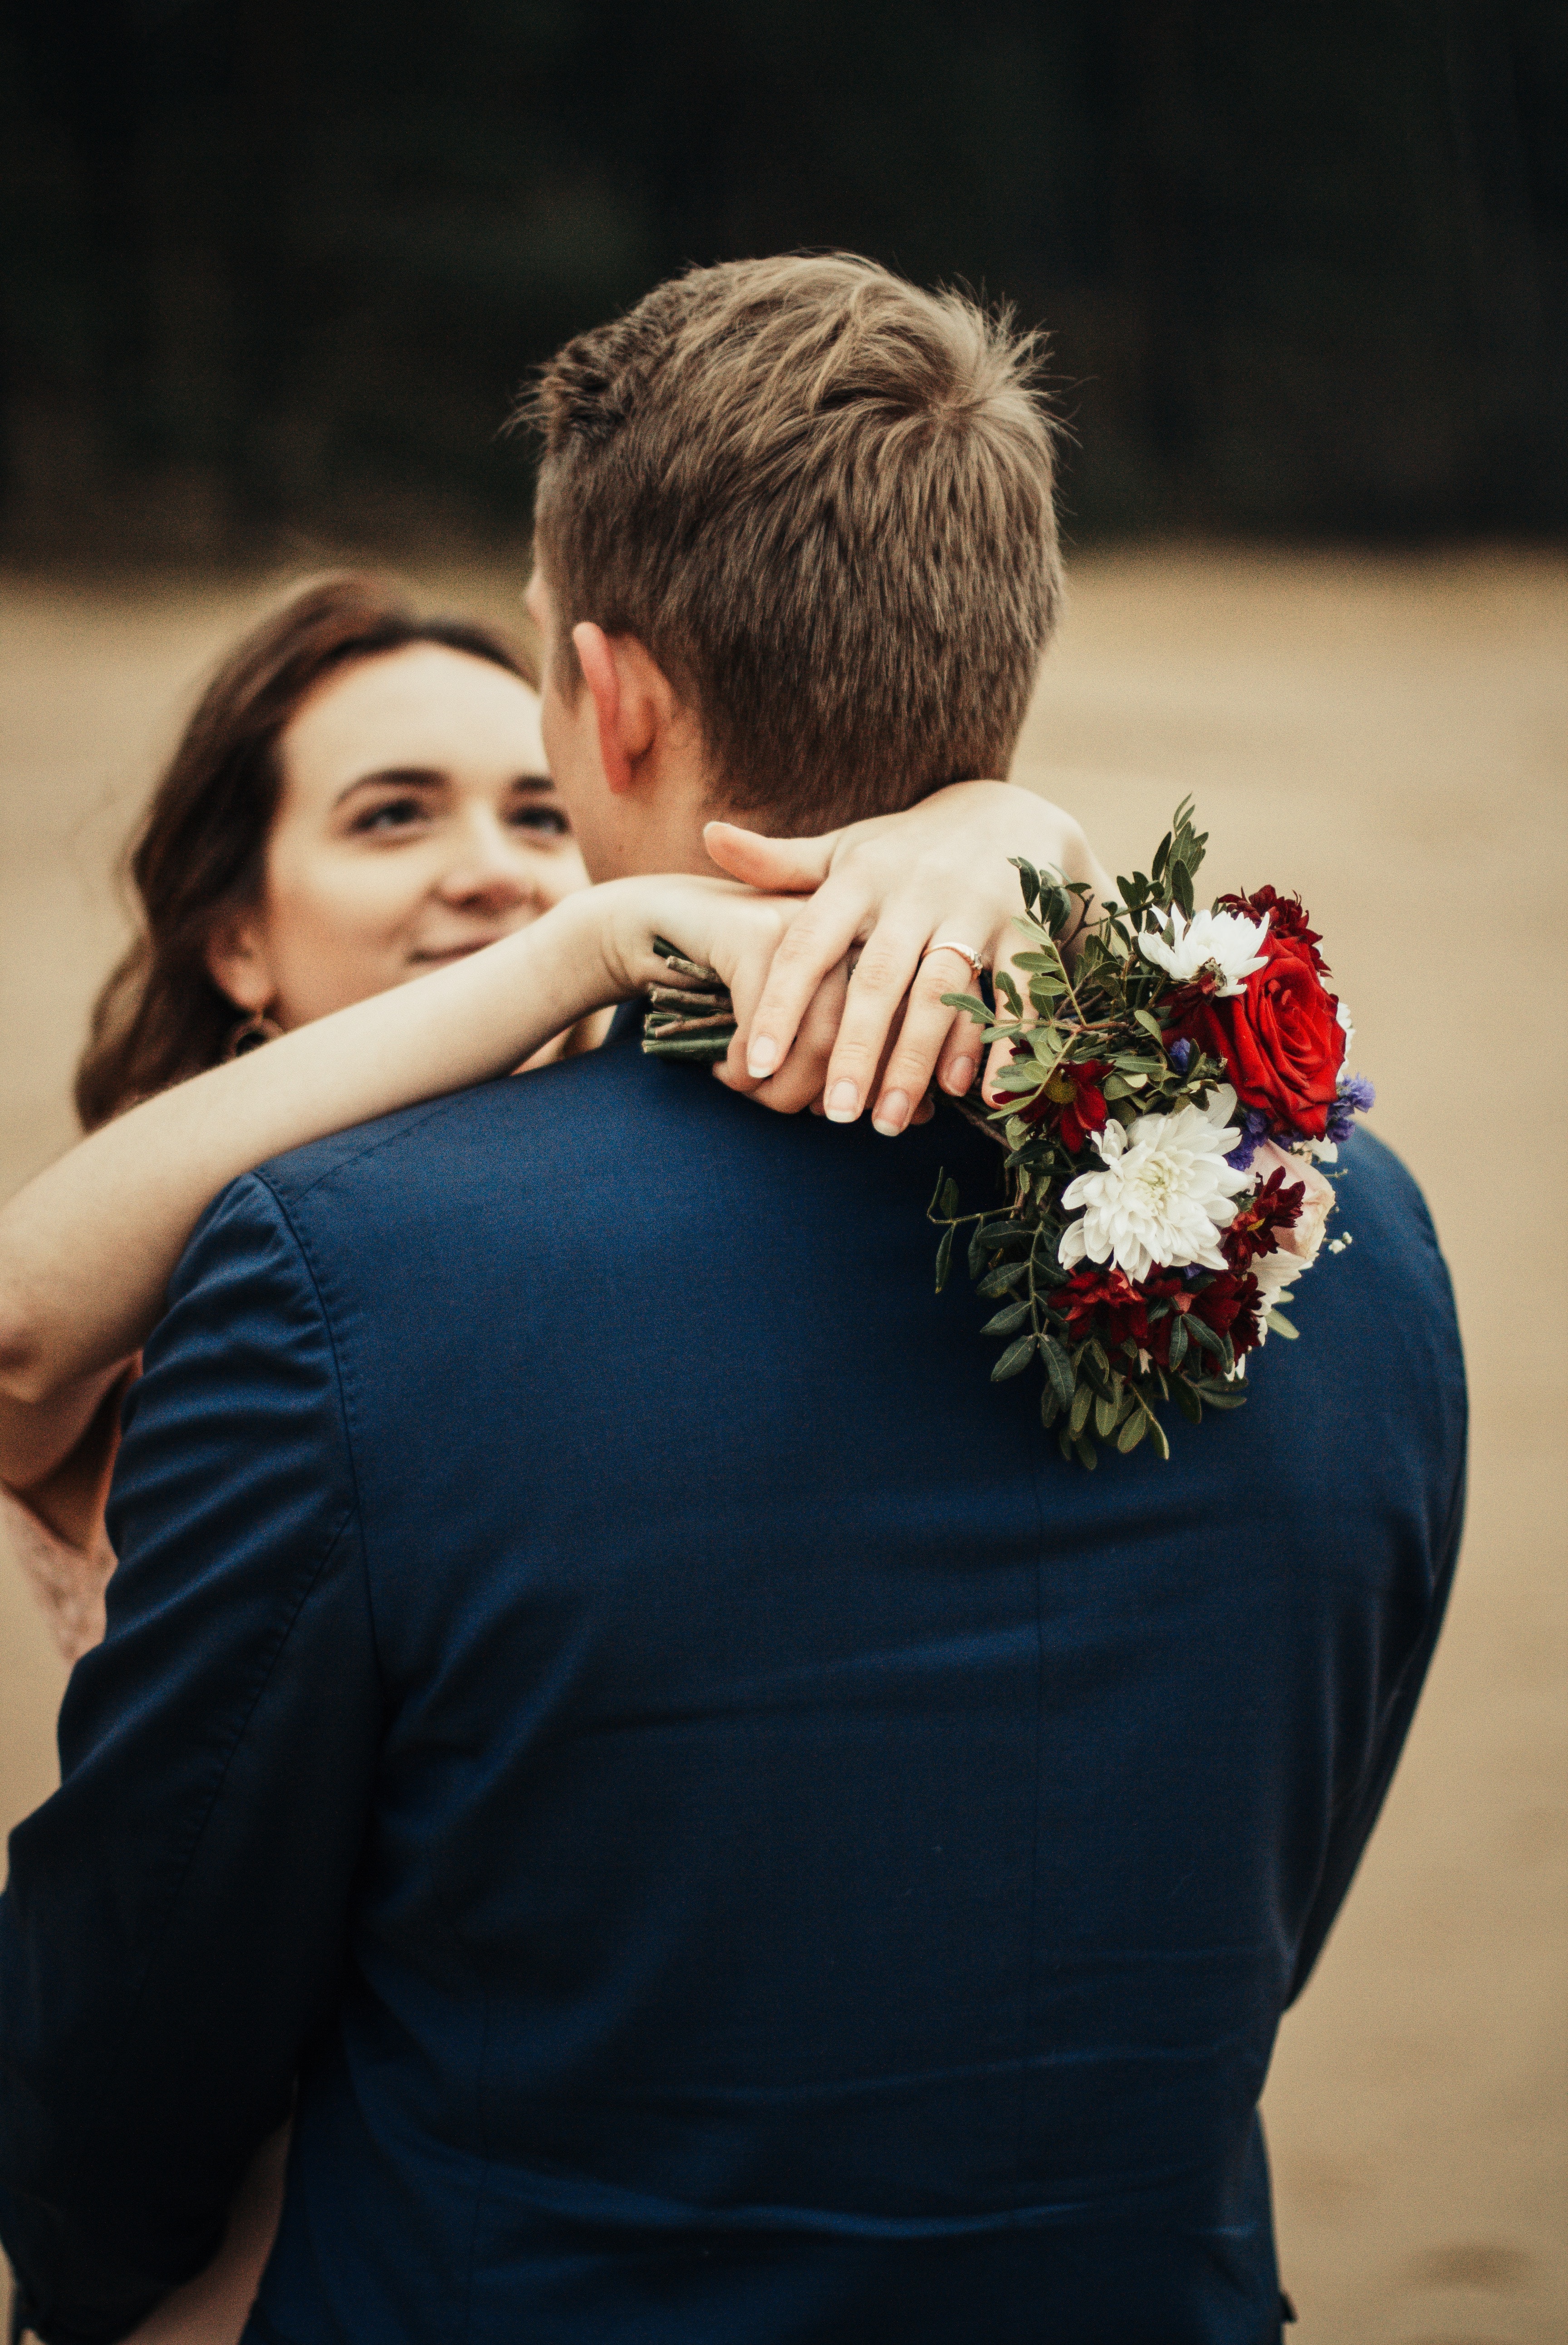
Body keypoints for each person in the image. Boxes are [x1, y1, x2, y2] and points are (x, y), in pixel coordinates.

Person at [0, 256, 1464, 2345]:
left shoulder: (342, 1283)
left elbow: (145, 2004)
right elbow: (1268, 1910)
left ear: (610, 695)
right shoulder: (1345, 1232)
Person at [0, 565, 1103, 2345]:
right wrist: (575, 945)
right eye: (389, 816)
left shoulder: (666, 1230)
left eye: (534, 808)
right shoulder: (180, 1275)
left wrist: (1002, 822)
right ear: (237, 939)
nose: (490, 861)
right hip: (265, 2249)